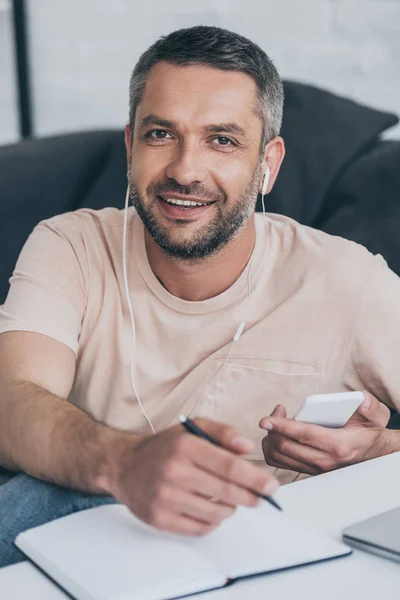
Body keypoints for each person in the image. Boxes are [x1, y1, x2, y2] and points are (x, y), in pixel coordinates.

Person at [0, 25, 399, 568]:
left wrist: (376, 452)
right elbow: (11, 402)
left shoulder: (347, 279)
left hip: (269, 561)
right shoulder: (69, 244)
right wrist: (127, 464)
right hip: (92, 545)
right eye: (161, 134)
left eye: (223, 140)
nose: (185, 171)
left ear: (268, 165)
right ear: (130, 146)